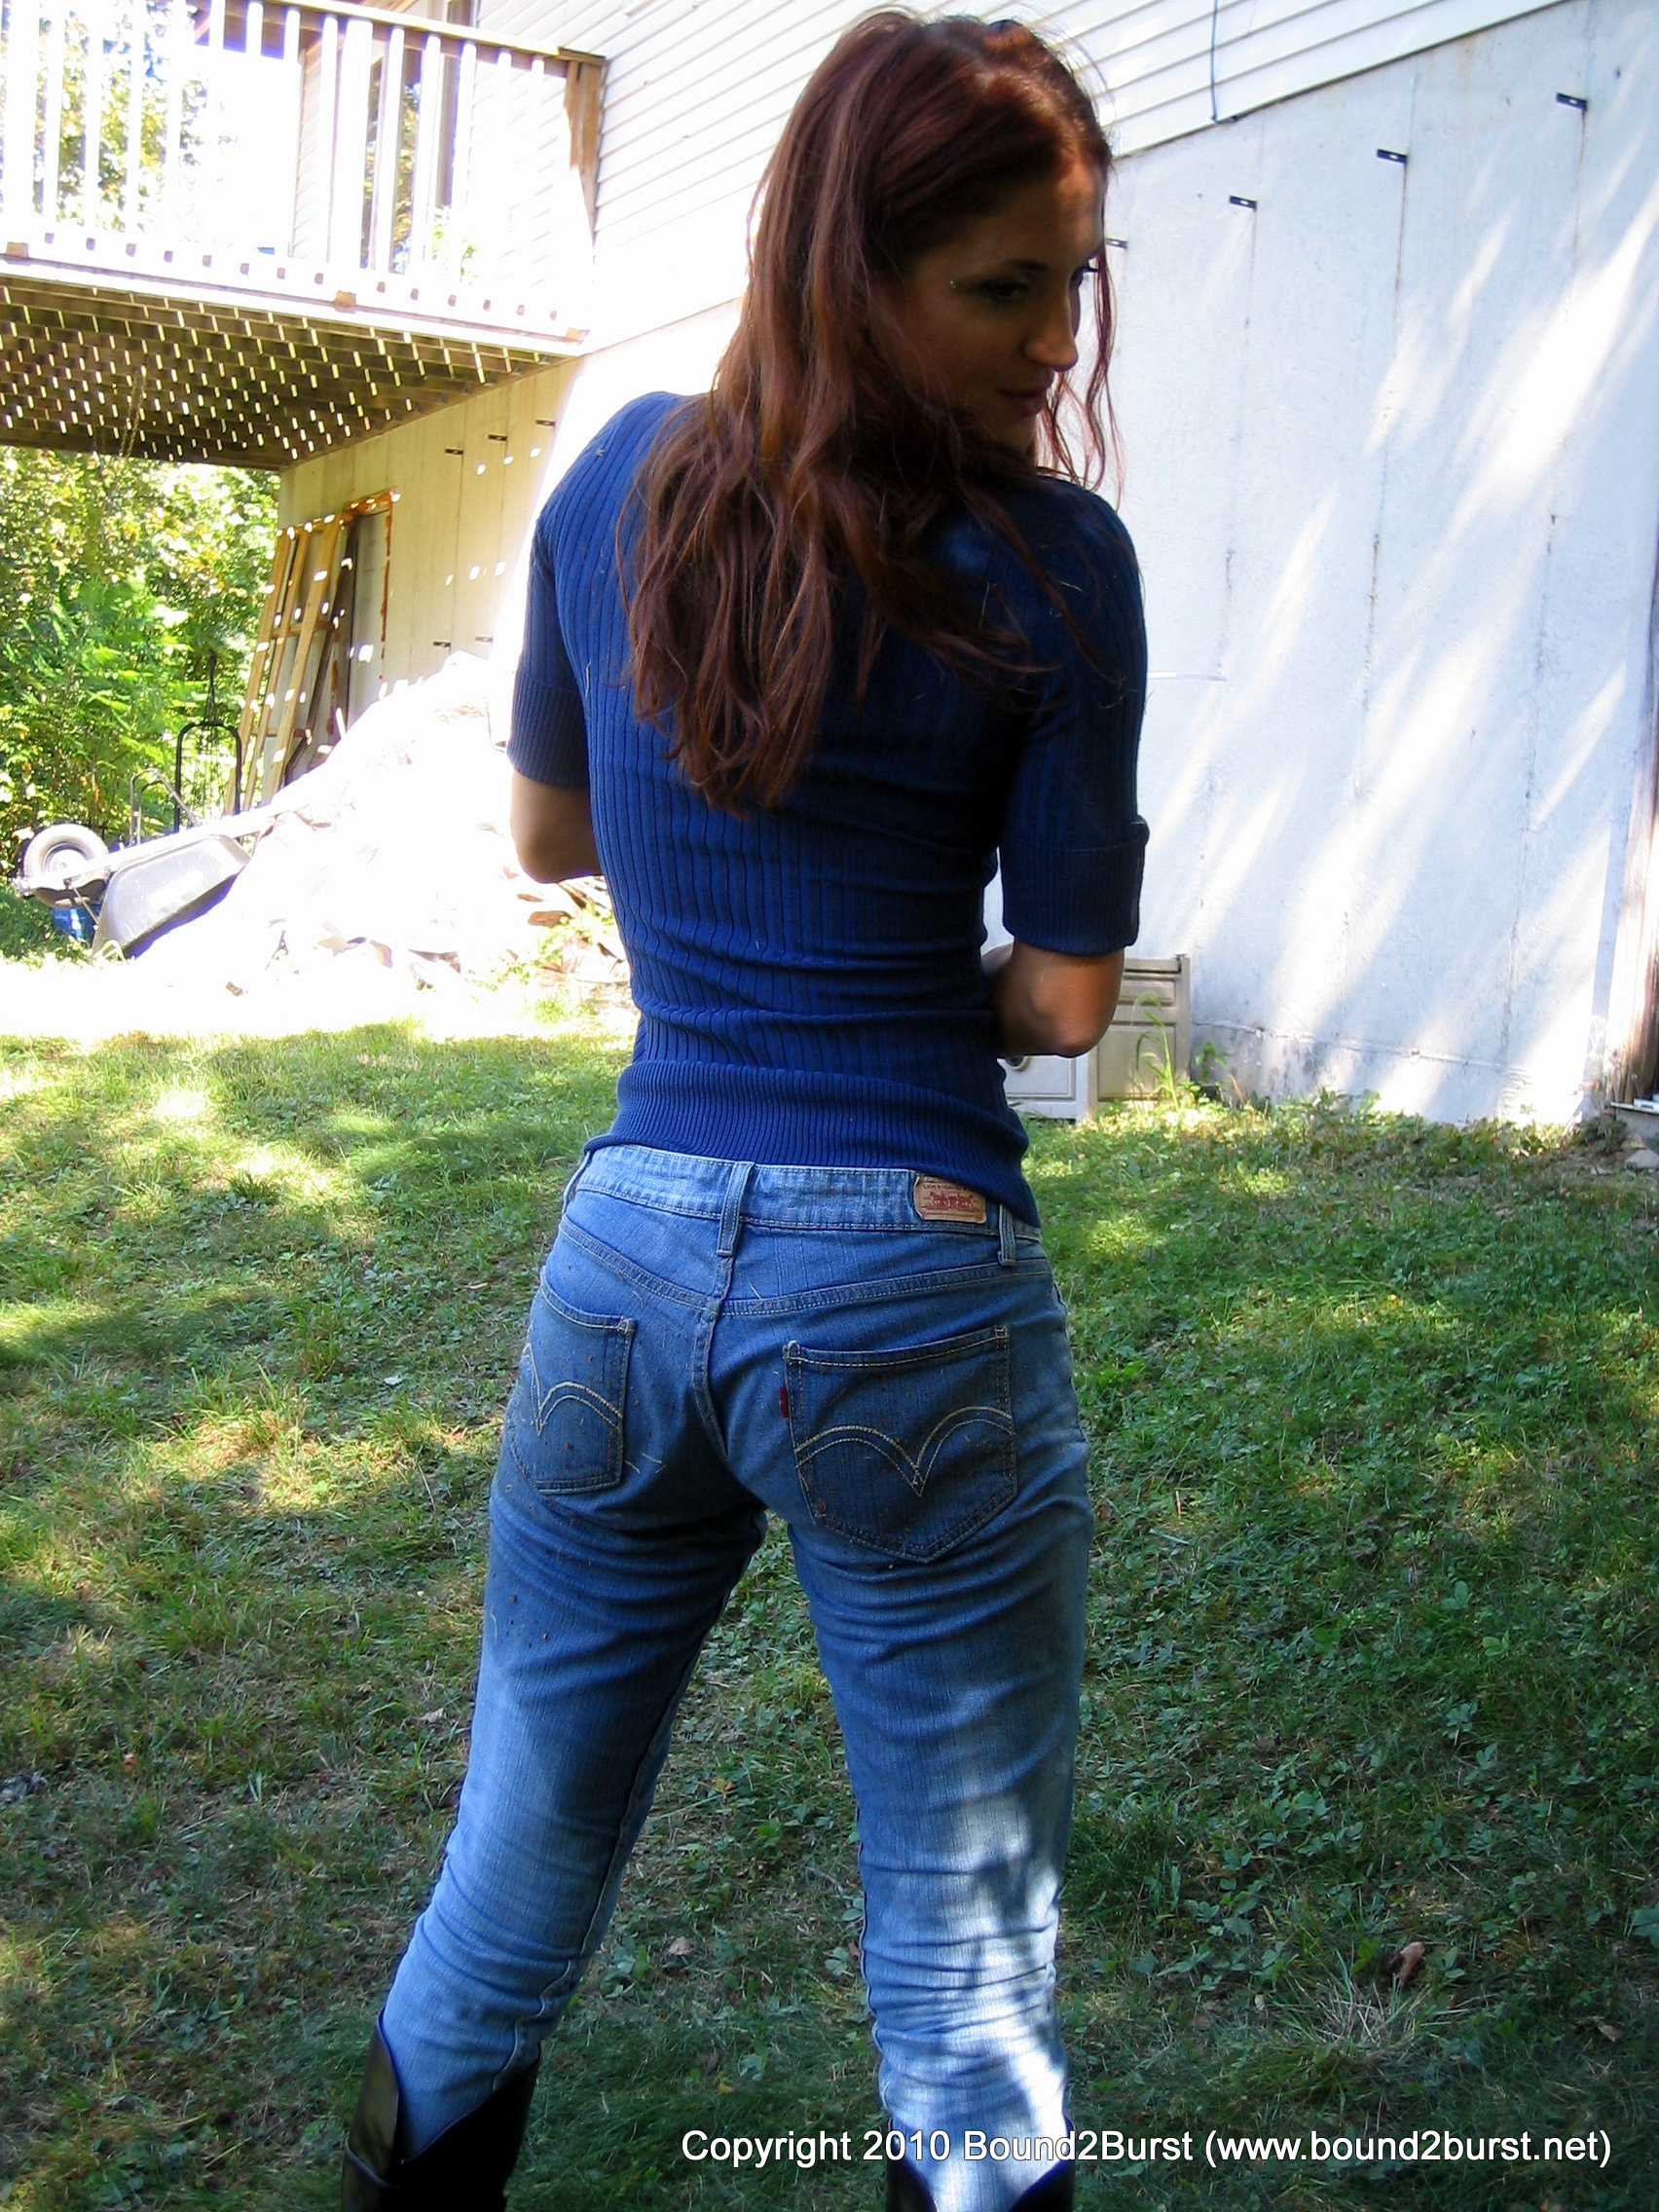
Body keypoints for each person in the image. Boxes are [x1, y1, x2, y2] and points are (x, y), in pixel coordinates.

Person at [340, 12, 1147, 2210]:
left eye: (1075, 282)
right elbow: (1065, 995)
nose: (1052, 340)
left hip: (624, 1261)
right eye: (1004, 287)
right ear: (851, 269)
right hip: (907, 1282)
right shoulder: (1058, 564)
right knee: (965, 1975)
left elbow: (547, 835)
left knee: (511, 1863)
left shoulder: (619, 478)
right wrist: (899, 985)